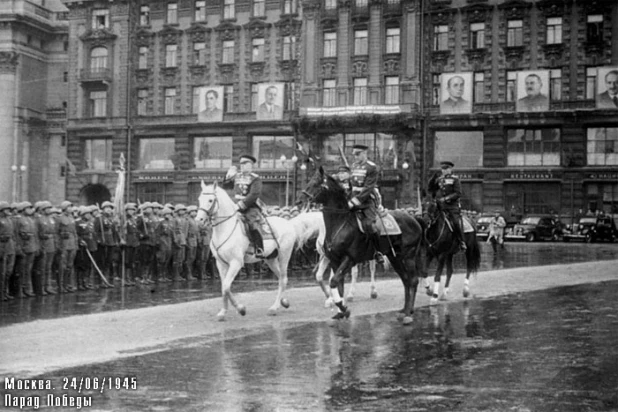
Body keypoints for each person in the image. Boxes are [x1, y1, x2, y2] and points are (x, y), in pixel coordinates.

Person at [223, 154, 267, 258]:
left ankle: (259, 248)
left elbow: (254, 194)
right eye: (241, 164)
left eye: (245, 164)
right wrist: (228, 176)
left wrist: (241, 205)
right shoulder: (236, 176)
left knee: (252, 224)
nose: (242, 166)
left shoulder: (255, 178)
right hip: (235, 205)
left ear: (251, 165)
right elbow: (226, 186)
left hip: (250, 207)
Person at [348, 144, 384, 264]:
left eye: (358, 154)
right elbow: (351, 185)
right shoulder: (353, 166)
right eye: (354, 154)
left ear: (364, 153)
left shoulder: (372, 168)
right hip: (353, 200)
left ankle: (377, 251)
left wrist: (354, 202)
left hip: (367, 201)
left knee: (370, 225)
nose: (355, 157)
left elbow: (368, 188)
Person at [428, 161, 467, 251]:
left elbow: (458, 193)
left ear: (450, 169)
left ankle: (461, 241)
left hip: (452, 207)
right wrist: (432, 180)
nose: (444, 171)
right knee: (430, 220)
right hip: (441, 207)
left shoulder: (455, 179)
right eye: (443, 169)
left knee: (456, 223)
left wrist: (446, 199)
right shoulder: (439, 179)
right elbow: (432, 190)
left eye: (446, 169)